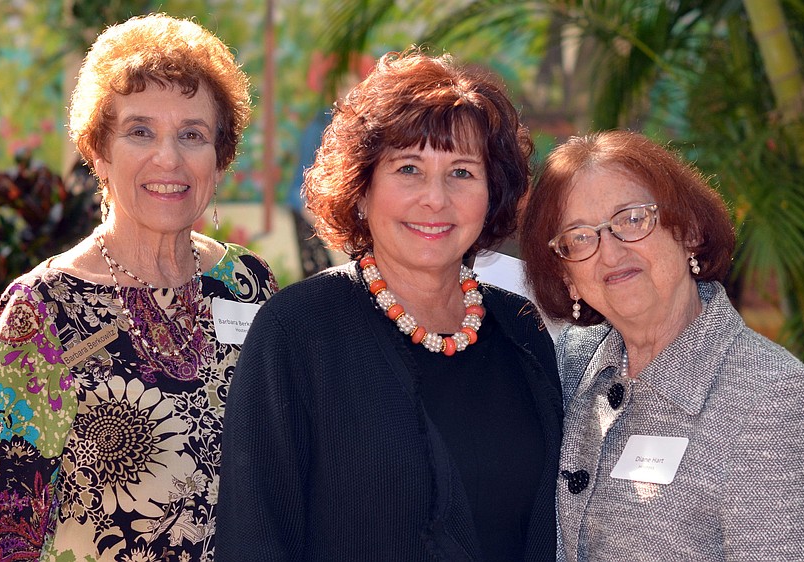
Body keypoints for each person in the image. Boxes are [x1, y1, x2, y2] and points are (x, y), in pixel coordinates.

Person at [216, 49, 563, 561]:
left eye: (462, 173)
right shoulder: (297, 332)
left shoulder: (524, 332)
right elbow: (255, 539)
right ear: (361, 190)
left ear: (493, 192)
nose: (435, 199)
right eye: (409, 169)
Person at [0, 13, 277, 561]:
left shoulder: (248, 285)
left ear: (219, 162)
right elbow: (7, 529)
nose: (168, 158)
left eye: (192, 135)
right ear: (99, 152)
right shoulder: (42, 309)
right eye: (140, 131)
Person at [519, 130, 804, 561]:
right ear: (567, 276)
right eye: (579, 237)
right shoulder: (570, 365)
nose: (609, 253)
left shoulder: (773, 396)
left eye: (631, 219)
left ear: (686, 229)